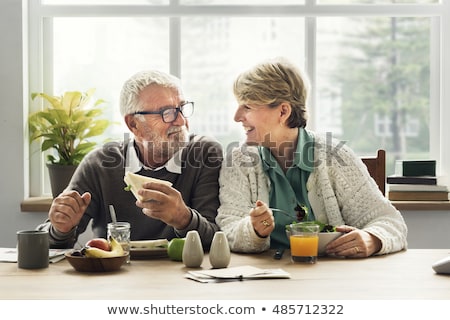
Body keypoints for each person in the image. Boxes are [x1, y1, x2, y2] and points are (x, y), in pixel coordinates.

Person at [216, 57, 408, 257]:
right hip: (264, 279)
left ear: (283, 111)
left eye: (247, 106)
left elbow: (390, 222)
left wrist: (373, 238)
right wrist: (254, 230)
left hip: (331, 277)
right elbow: (228, 229)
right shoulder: (237, 161)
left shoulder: (335, 156)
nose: (237, 117)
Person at [37, 70, 223, 250]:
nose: (181, 121)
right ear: (133, 124)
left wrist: (183, 218)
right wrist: (60, 229)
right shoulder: (100, 164)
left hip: (182, 275)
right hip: (114, 275)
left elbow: (216, 240)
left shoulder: (204, 154)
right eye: (167, 112)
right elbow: (47, 244)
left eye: (182, 108)